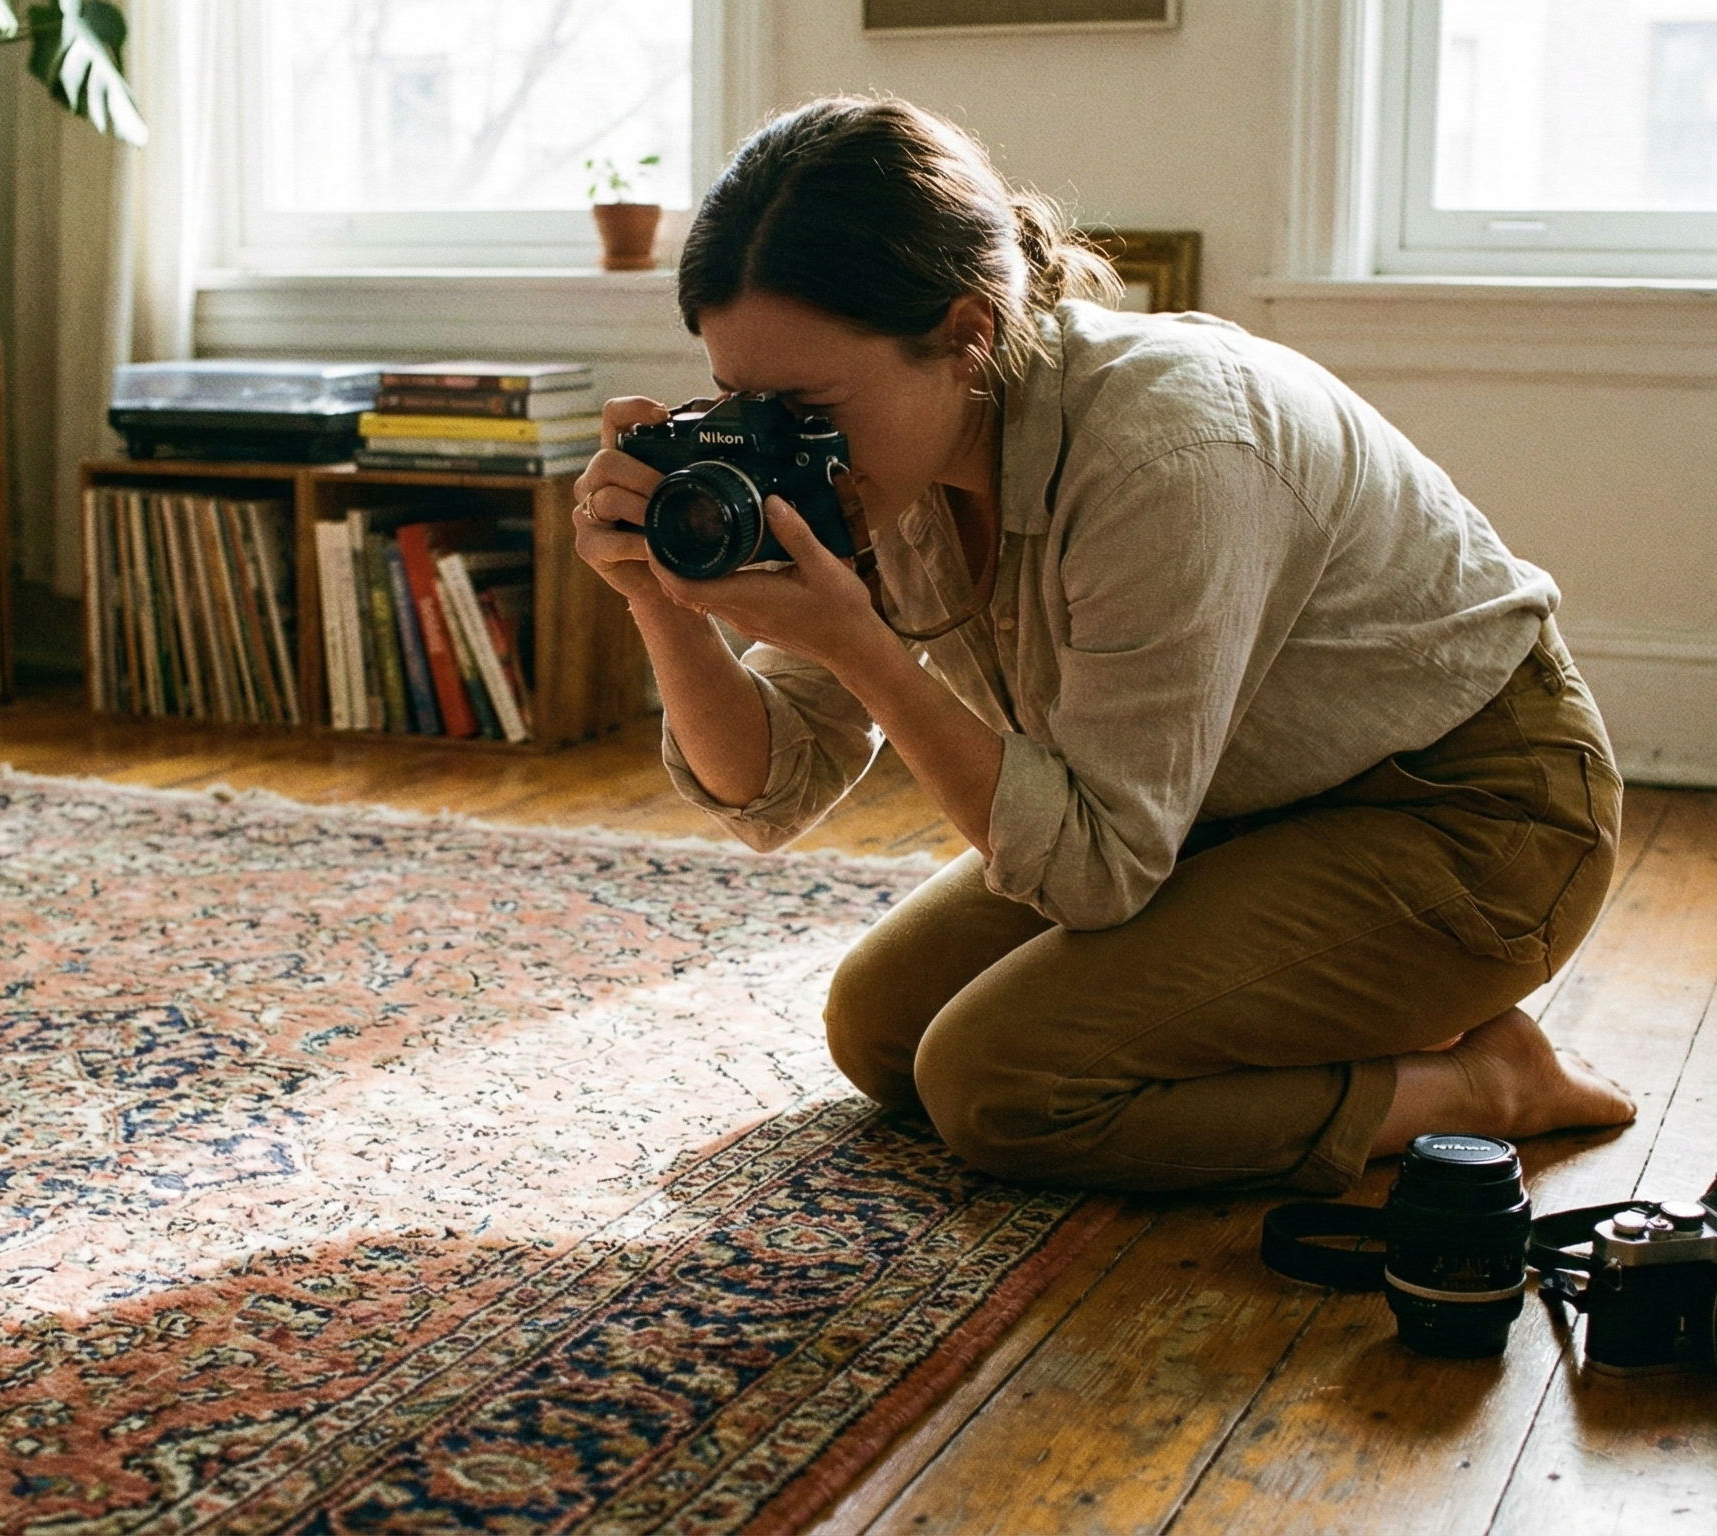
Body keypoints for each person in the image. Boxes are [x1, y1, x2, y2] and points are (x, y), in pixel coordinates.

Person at [570, 96, 1636, 1195]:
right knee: (879, 1030)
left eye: (802, 403)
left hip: (1466, 820)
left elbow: (1094, 874)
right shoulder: (890, 457)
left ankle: (1482, 1086)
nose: (776, 440)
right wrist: (657, 596)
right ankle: (1303, 1007)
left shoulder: (1167, 450)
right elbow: (769, 791)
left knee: (997, 1084)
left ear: (966, 330)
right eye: (742, 400)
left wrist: (862, 649)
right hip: (1215, 811)